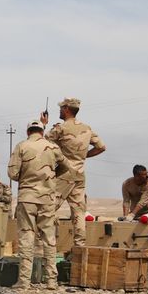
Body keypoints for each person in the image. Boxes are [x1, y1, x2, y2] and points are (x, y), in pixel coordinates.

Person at [8, 120, 72, 290]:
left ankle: (24, 281)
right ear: (42, 132)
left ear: (28, 131)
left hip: (27, 198)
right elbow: (66, 166)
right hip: (47, 199)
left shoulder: (22, 146)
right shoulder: (52, 147)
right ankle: (51, 280)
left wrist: (27, 176)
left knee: (26, 238)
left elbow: (12, 173)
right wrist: (51, 175)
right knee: (49, 239)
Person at [40, 97, 105, 248]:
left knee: (48, 207)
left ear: (67, 109)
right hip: (80, 174)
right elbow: (101, 147)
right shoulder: (87, 129)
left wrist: (43, 125)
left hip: (64, 173)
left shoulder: (61, 128)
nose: (60, 111)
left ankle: (46, 245)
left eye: (62, 108)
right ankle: (80, 247)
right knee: (79, 212)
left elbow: (42, 142)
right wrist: (84, 156)